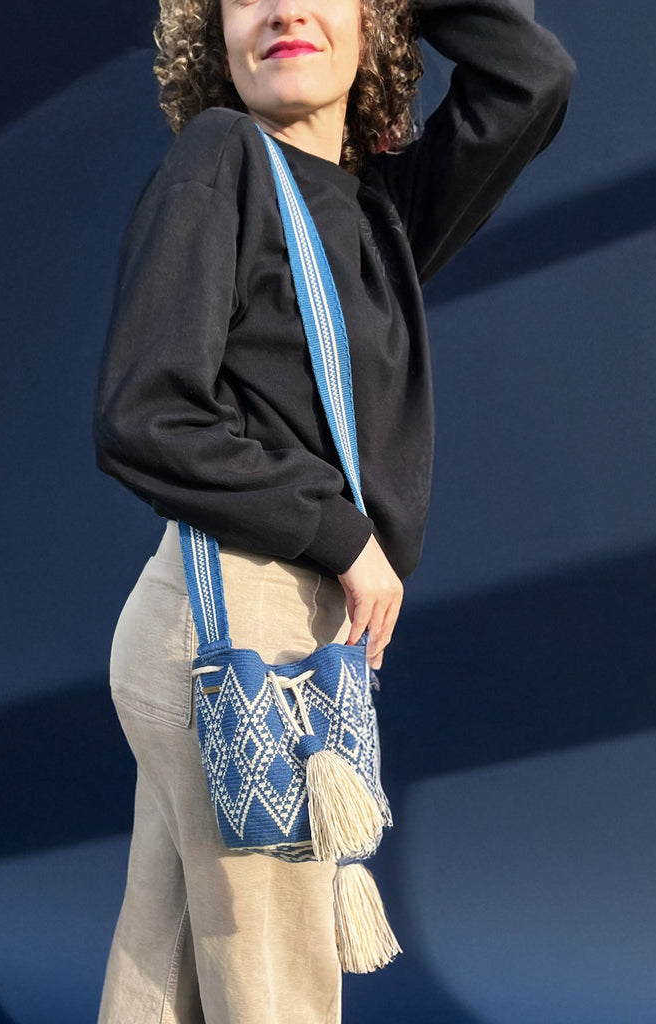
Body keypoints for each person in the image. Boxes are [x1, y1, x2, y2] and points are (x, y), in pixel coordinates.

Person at [93, 1, 574, 1021]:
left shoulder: (376, 210)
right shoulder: (220, 157)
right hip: (235, 625)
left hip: (264, 634)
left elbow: (529, 83)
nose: (282, 9)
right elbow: (145, 413)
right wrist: (342, 535)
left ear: (375, 22)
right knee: (275, 991)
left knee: (163, 982)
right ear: (212, 35)